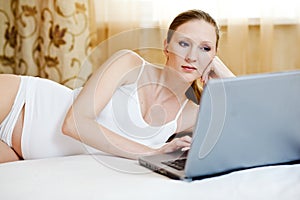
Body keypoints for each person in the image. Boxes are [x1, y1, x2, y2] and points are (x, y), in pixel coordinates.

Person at [0, 9, 235, 163]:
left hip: (23, 155)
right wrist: (153, 152)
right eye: (184, 43)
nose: (193, 57)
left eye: (205, 48)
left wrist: (223, 74)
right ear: (166, 47)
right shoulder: (129, 64)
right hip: (19, 102)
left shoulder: (190, 115)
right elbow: (74, 124)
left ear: (214, 56)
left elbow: (252, 128)